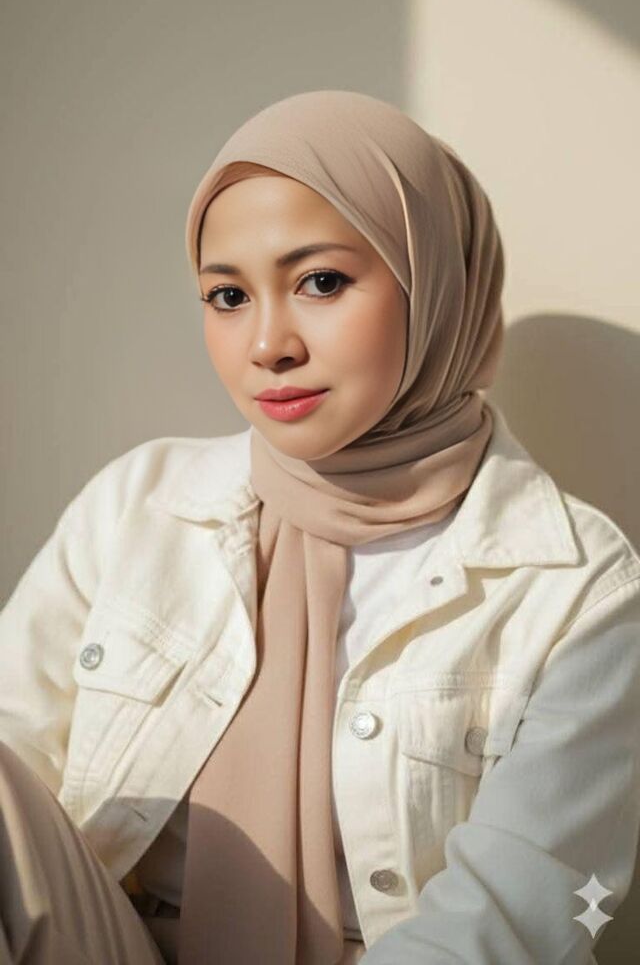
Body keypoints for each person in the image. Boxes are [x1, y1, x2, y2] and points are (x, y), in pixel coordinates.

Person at [1, 90, 639, 965]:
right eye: (228, 295)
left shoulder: (579, 588)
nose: (269, 344)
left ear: (437, 284)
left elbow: (516, 917)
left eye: (322, 282)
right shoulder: (136, 505)